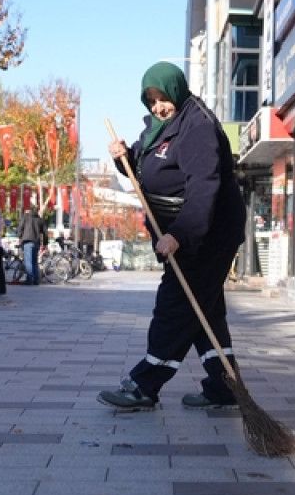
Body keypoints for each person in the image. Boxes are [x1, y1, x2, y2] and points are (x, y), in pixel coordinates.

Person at [97, 61, 246, 411]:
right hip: (185, 234)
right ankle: (225, 387)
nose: (157, 106)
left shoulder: (197, 127)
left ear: (177, 89)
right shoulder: (159, 126)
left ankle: (143, 385)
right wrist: (125, 159)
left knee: (175, 306)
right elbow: (147, 172)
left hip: (208, 234)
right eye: (150, 100)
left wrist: (179, 234)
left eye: (162, 97)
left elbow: (204, 188)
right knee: (204, 312)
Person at [17, 206, 44, 285]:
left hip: (27, 241)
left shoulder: (26, 217)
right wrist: (45, 243)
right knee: (34, 262)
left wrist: (20, 236)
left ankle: (29, 279)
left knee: (28, 262)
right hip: (36, 242)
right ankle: (36, 280)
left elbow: (20, 228)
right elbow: (44, 231)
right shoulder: (39, 219)